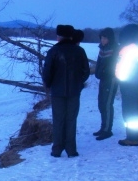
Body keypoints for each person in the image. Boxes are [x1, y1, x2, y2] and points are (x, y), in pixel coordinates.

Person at [42, 24, 90, 157]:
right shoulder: (79, 51)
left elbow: (47, 73)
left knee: (58, 120)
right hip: (74, 92)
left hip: (57, 92)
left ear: (59, 37)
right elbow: (86, 72)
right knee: (71, 120)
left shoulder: (53, 51)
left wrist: (50, 85)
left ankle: (57, 149)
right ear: (70, 35)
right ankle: (71, 149)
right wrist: (78, 83)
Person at [93, 27, 119, 140]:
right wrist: (97, 73)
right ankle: (103, 127)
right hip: (103, 79)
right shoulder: (102, 49)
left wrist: (107, 73)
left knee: (107, 104)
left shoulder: (115, 49)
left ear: (110, 38)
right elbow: (99, 63)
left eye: (104, 38)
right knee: (101, 103)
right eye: (101, 38)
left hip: (111, 79)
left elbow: (114, 66)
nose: (102, 40)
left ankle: (107, 130)